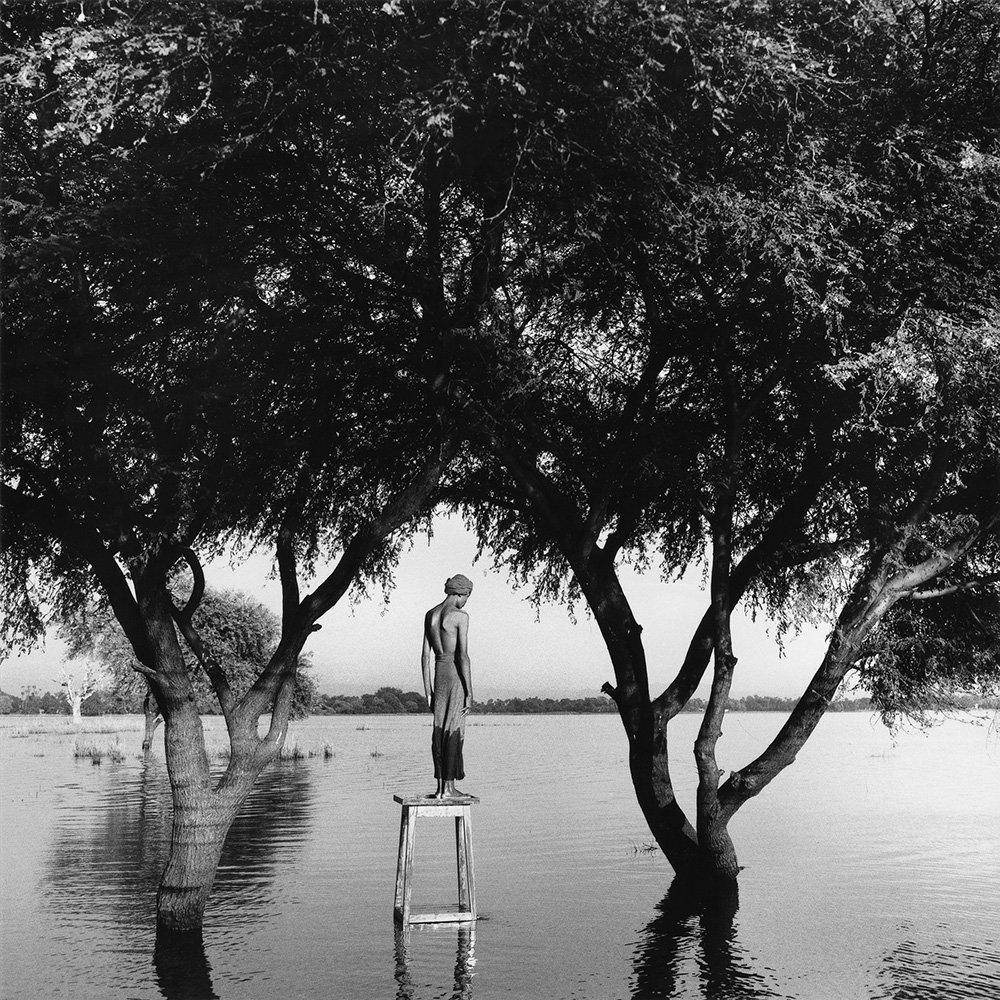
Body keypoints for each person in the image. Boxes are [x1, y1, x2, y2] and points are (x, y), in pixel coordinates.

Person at [422, 574, 474, 799]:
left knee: (439, 729)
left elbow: (425, 657)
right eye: (467, 597)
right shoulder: (460, 616)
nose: (466, 601)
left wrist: (428, 693)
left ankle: (440, 787)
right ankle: (449, 788)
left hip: (438, 677)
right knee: (453, 729)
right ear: (462, 594)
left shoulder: (430, 615)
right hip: (454, 676)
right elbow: (463, 656)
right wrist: (470, 692)